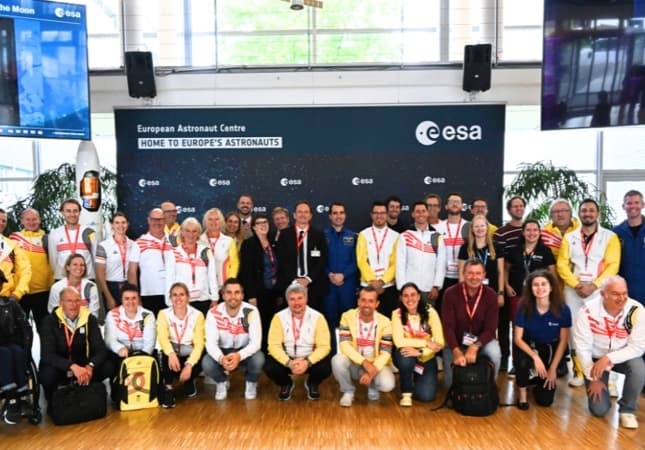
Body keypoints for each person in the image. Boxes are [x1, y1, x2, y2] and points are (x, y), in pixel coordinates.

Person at [557, 198, 621, 387]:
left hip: (600, 291)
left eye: (591, 211)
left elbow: (613, 265)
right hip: (574, 290)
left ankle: (609, 379)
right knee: (575, 331)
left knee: (604, 332)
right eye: (584, 211)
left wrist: (594, 285)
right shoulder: (570, 237)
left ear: (598, 214)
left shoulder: (609, 237)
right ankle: (579, 371)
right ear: (579, 213)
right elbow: (562, 264)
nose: (587, 214)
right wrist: (576, 284)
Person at [573, 276, 645, 429]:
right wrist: (593, 378)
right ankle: (602, 388)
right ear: (602, 294)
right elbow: (583, 348)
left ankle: (627, 410)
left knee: (639, 368)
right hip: (594, 360)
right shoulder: (586, 312)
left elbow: (638, 347)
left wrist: (608, 358)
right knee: (599, 410)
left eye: (624, 293)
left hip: (622, 356)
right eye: (616, 294)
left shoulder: (636, 310)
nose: (622, 298)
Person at [39, 287, 111, 406]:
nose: (74, 305)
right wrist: (71, 366)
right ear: (61, 303)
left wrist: (90, 366)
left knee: (108, 366)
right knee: (47, 375)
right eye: (69, 301)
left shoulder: (90, 319)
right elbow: (47, 355)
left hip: (84, 366)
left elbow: (101, 349)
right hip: (61, 367)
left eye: (77, 301)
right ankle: (53, 400)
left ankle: (87, 390)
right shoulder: (49, 321)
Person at [514, 270, 571, 410]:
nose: (540, 288)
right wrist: (535, 357)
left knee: (545, 401)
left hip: (550, 349)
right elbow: (517, 339)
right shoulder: (523, 307)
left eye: (544, 284)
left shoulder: (563, 309)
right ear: (530, 289)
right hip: (528, 347)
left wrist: (552, 369)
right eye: (535, 285)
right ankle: (522, 394)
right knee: (521, 360)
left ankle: (537, 379)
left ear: (551, 287)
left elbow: (563, 341)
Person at [264, 283, 331, 401]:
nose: (296, 303)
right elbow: (273, 346)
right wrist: (289, 362)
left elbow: (324, 346)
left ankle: (312, 384)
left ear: (306, 298)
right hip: (288, 359)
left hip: (310, 358)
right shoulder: (278, 317)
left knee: (326, 367)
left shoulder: (318, 317)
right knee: (269, 366)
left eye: (300, 298)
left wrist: (307, 362)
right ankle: (286, 384)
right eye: (292, 299)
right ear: (287, 301)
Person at [441, 258, 501, 388]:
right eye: (470, 273)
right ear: (463, 274)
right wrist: (456, 350)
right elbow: (448, 327)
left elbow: (491, 329)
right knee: (450, 386)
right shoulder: (450, 293)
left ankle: (491, 389)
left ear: (484, 275)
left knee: (495, 352)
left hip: (481, 342)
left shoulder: (491, 295)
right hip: (455, 343)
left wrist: (475, 346)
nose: (474, 277)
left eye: (478, 273)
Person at [332, 286, 395, 407]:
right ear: (358, 301)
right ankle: (348, 391)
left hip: (376, 364)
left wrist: (372, 371)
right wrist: (364, 363)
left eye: (371, 301)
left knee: (387, 385)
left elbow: (386, 352)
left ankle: (372, 386)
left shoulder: (385, 322)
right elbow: (344, 345)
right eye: (363, 300)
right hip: (355, 363)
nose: (366, 304)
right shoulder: (347, 316)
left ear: (377, 304)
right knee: (337, 361)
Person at [202, 278, 264, 401]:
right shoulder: (213, 313)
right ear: (223, 295)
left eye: (237, 292)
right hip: (223, 351)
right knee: (207, 363)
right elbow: (210, 344)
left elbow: (256, 343)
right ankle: (221, 382)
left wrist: (239, 356)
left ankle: (251, 382)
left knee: (259, 359)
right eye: (229, 292)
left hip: (244, 351)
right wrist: (221, 358)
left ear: (242, 295)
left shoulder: (251, 311)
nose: (233, 296)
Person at [392, 282, 444, 406]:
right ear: (401, 298)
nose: (410, 299)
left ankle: (415, 376)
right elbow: (399, 341)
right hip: (406, 353)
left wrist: (421, 351)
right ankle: (406, 392)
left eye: (413, 295)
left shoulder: (431, 312)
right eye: (405, 296)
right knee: (406, 359)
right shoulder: (397, 314)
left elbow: (440, 342)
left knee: (426, 396)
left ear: (419, 296)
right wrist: (426, 342)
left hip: (426, 357)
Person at [103, 283, 156, 401]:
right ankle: (119, 395)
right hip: (121, 353)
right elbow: (109, 339)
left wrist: (140, 357)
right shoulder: (112, 314)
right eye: (127, 298)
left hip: (141, 353)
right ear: (121, 300)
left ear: (138, 299)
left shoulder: (148, 315)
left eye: (134, 298)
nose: (130, 302)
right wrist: (119, 348)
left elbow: (150, 343)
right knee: (112, 362)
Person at [156, 282, 205, 408]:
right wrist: (171, 353)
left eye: (182, 294)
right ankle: (168, 388)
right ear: (170, 298)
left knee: (203, 354)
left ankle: (189, 381)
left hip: (188, 351)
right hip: (172, 352)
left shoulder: (198, 315)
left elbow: (199, 344)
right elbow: (162, 337)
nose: (178, 298)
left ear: (188, 297)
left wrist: (189, 365)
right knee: (163, 350)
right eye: (174, 295)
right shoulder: (163, 314)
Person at [275, 201, 328, 311]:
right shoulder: (284, 235)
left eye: (306, 212)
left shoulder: (319, 234)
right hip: (290, 285)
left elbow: (322, 260)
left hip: (313, 286)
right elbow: (282, 260)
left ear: (310, 215)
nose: (303, 215)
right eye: (300, 212)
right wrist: (296, 281)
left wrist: (307, 279)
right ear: (294, 215)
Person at [239, 214, 281, 351]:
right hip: (258, 293)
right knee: (259, 324)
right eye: (259, 223)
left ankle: (271, 352)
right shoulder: (249, 244)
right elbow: (247, 272)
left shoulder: (274, 243)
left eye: (265, 222)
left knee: (272, 323)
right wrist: (251, 295)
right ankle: (259, 352)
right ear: (254, 227)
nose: (263, 225)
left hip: (274, 292)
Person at [504, 220, 557, 326]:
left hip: (539, 296)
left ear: (539, 232)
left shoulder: (545, 251)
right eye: (528, 230)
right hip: (517, 294)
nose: (531, 233)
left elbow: (553, 274)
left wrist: (551, 293)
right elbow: (505, 269)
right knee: (518, 326)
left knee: (537, 325)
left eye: (535, 230)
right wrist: (507, 285)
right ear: (523, 232)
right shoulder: (514, 250)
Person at [10, 208, 54, 332]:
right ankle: (24, 353)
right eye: (28, 219)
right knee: (21, 331)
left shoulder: (47, 238)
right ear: (22, 221)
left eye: (34, 219)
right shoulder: (14, 238)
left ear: (39, 220)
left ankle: (46, 352)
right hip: (20, 292)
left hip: (43, 291)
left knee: (45, 330)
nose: (31, 222)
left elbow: (53, 263)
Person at [165, 217, 218, 316]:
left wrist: (214, 298)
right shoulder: (174, 252)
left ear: (199, 233)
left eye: (194, 231)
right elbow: (170, 279)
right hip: (181, 301)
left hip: (203, 300)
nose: (191, 234)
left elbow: (212, 277)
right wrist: (169, 302)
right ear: (182, 232)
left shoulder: (205, 251)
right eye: (187, 231)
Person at [396, 201, 445, 307]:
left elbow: (441, 264)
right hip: (409, 290)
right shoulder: (405, 235)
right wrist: (402, 288)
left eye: (423, 211)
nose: (421, 214)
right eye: (417, 211)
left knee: (428, 321)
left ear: (428, 213)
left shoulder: (436, 236)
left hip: (430, 290)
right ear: (413, 214)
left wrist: (436, 286)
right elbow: (400, 264)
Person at [0, 269, 33, 425]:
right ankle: (11, 397)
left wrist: (27, 349)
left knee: (17, 350)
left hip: (8, 345)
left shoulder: (10, 304)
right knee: (5, 352)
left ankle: (22, 394)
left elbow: (25, 329)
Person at [356, 201, 399, 317]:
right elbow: (361, 260)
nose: (379, 216)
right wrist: (372, 282)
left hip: (387, 287)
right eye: (376, 213)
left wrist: (382, 282)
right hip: (367, 285)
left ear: (387, 214)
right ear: (371, 215)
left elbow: (395, 263)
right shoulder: (363, 234)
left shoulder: (396, 236)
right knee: (366, 319)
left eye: (382, 213)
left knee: (388, 321)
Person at [323, 202, 358, 337]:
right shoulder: (322, 235)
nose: (338, 216)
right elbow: (319, 261)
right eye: (335, 213)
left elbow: (357, 262)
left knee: (349, 322)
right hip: (328, 286)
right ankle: (330, 354)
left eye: (341, 213)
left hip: (347, 286)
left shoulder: (353, 236)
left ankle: (349, 354)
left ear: (345, 215)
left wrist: (344, 275)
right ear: (330, 216)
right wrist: (329, 274)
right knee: (329, 321)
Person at [131, 208, 173, 316]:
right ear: (149, 220)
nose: (157, 223)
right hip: (149, 294)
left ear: (165, 221)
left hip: (172, 294)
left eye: (160, 219)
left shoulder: (174, 241)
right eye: (154, 219)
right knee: (150, 329)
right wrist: (135, 296)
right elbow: (132, 271)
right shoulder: (139, 242)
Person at [95, 212, 139, 311]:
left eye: (123, 222)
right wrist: (108, 296)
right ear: (112, 225)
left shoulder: (134, 244)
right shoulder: (103, 246)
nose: (120, 225)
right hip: (111, 286)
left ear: (128, 224)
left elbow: (134, 271)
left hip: (129, 286)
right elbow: (100, 274)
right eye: (117, 222)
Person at [435, 192, 470, 311]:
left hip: (465, 277)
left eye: (458, 202)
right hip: (443, 278)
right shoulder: (438, 228)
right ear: (446, 206)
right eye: (452, 202)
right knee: (443, 312)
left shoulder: (469, 227)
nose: (455, 204)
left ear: (462, 207)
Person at [47, 199, 96, 280]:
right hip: (63, 280)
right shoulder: (54, 234)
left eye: (75, 211)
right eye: (68, 211)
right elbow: (53, 261)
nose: (72, 214)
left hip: (86, 279)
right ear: (62, 213)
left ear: (80, 213)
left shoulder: (89, 233)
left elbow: (95, 259)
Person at [613, 190, 645, 305]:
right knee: (628, 322)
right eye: (629, 203)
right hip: (625, 291)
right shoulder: (616, 232)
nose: (633, 206)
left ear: (643, 205)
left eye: (636, 202)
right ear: (623, 206)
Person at [47, 253, 100, 318]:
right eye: (75, 264)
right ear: (67, 267)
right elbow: (53, 311)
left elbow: (94, 314)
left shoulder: (91, 286)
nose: (79, 268)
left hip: (86, 324)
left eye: (82, 265)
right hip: (62, 324)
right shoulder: (56, 288)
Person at [198, 208, 240, 289]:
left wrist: (229, 283)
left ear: (221, 222)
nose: (213, 222)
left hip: (223, 286)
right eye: (210, 219)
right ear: (205, 222)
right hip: (204, 287)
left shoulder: (229, 241)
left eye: (216, 219)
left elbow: (234, 264)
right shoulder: (199, 240)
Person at [0, 208, 32, 307]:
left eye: (4, 221)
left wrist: (17, 294)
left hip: (5, 301)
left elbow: (25, 271)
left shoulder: (12, 245)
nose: (1, 223)